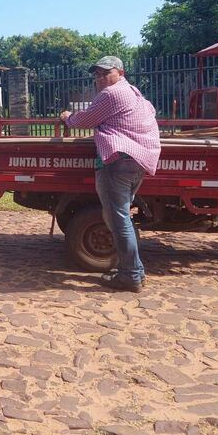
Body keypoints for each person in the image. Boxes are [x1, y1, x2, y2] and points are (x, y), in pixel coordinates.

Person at [59, 56, 160, 293]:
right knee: (120, 216)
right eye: (97, 74)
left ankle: (131, 275)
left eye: (106, 73)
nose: (100, 78)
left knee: (118, 219)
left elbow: (83, 120)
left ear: (120, 72)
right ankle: (135, 270)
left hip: (118, 161)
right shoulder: (133, 92)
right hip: (137, 161)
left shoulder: (112, 94)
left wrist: (66, 118)